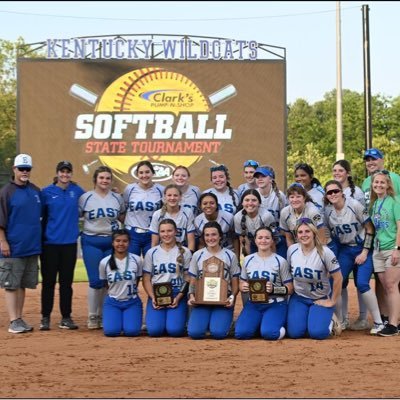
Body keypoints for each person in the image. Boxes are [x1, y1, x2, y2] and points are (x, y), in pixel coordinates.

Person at [323, 180, 383, 335]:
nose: (333, 194)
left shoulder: (354, 204)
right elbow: (328, 234)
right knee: (338, 280)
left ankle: (378, 322)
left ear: (342, 192)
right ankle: (342, 320)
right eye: (329, 192)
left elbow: (370, 229)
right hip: (345, 249)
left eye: (335, 191)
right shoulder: (328, 211)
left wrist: (364, 252)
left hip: (363, 247)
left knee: (362, 283)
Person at [39, 161, 85, 331]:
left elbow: (92, 200)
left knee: (66, 283)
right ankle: (45, 317)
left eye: (68, 172)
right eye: (62, 172)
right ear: (57, 173)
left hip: (69, 243)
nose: (65, 175)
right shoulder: (46, 192)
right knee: (48, 282)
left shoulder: (77, 191)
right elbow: (40, 216)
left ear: (71, 174)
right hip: (50, 243)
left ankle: (66, 317)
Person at [79, 166, 125, 329]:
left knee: (108, 280)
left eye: (107, 178)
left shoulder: (117, 198)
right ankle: (93, 315)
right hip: (91, 240)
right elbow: (78, 215)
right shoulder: (85, 197)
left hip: (110, 242)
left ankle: (104, 313)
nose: (104, 181)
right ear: (95, 180)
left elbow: (122, 216)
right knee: (95, 280)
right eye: (101, 178)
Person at [0, 154, 42, 334]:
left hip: (31, 246)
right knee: (11, 284)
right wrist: (3, 241)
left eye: (27, 169)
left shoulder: (35, 190)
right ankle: (13, 320)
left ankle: (19, 317)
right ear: (14, 170)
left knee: (23, 284)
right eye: (21, 168)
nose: (24, 172)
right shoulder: (6, 192)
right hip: (13, 246)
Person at [286, 218, 343, 340]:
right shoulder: (292, 250)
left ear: (314, 233)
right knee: (294, 333)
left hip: (319, 297)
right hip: (299, 297)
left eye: (307, 231)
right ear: (296, 235)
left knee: (318, 333)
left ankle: (331, 320)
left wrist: (332, 301)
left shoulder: (325, 252)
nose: (304, 235)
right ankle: (310, 318)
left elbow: (338, 278)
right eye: (300, 232)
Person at [234, 227, 293, 340]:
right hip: (254, 303)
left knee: (270, 334)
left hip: (275, 303)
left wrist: (274, 289)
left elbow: (290, 288)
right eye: (260, 238)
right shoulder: (248, 260)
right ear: (255, 241)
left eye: (267, 238)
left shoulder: (280, 261)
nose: (263, 240)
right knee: (241, 333)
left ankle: (280, 326)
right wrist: (243, 286)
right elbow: (242, 282)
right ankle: (261, 323)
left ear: (272, 241)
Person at [187, 221, 240, 339]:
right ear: (203, 237)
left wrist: (232, 297)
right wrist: (191, 295)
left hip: (222, 301)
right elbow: (193, 280)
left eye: (214, 234)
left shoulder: (230, 255)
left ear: (220, 236)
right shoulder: (197, 255)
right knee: (194, 333)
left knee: (218, 333)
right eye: (207, 235)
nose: (211, 238)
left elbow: (235, 282)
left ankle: (223, 323)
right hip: (202, 300)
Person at [332, 159, 368, 329]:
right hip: (343, 245)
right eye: (335, 171)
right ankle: (343, 318)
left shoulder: (357, 193)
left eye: (340, 170)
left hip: (359, 243)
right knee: (342, 281)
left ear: (347, 173)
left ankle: (362, 317)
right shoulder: (332, 191)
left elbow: (363, 220)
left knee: (361, 282)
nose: (337, 173)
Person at [143, 219, 192, 337]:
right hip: (157, 293)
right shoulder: (151, 252)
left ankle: (176, 321)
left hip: (177, 293)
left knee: (175, 331)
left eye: (169, 231)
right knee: (154, 331)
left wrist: (179, 297)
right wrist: (153, 297)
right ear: (159, 233)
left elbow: (188, 277)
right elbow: (146, 278)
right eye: (163, 231)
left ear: (176, 232)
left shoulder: (185, 252)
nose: (166, 234)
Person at [369, 170, 400, 336]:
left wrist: (397, 249)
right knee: (385, 286)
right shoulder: (374, 204)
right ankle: (389, 319)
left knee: (391, 285)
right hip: (378, 249)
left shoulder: (395, 202)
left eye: (382, 182)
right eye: (376, 182)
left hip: (391, 249)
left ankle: (394, 325)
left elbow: (399, 226)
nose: (378, 185)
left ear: (388, 184)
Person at [99, 229, 143, 337]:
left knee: (132, 332)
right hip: (113, 302)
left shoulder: (137, 260)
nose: (121, 244)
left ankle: (128, 320)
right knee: (111, 332)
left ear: (129, 243)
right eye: (118, 241)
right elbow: (105, 283)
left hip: (132, 302)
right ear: (113, 243)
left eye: (124, 241)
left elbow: (137, 279)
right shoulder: (104, 262)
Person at [123, 160, 164, 257]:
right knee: (132, 264)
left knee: (151, 266)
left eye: (147, 172)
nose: (144, 175)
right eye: (141, 173)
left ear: (153, 173)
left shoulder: (161, 190)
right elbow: (123, 210)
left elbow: (164, 211)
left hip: (152, 233)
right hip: (132, 233)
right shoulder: (130, 189)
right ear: (137, 174)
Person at [150, 184, 196, 253]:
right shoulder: (157, 215)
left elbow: (191, 241)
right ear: (165, 197)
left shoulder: (188, 212)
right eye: (169, 195)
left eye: (175, 195)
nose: (172, 198)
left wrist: (189, 256)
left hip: (182, 251)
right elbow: (155, 242)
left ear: (180, 197)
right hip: (163, 251)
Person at [254, 165, 288, 257]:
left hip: (277, 236)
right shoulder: (253, 194)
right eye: (257, 177)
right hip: (259, 237)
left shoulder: (279, 195)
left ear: (271, 179)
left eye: (263, 176)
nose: (260, 179)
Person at [279, 183, 326, 248]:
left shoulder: (313, 211)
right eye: (292, 197)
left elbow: (321, 236)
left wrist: (318, 254)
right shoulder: (285, 212)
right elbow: (289, 238)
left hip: (316, 244)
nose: (295, 200)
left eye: (298, 196)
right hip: (298, 244)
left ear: (304, 197)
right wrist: (293, 253)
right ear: (288, 199)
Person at [234, 189, 277, 257]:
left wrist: (272, 259)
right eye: (247, 200)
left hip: (270, 243)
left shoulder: (266, 216)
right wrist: (247, 259)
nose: (250, 203)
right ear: (242, 203)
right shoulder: (238, 217)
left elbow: (272, 242)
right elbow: (243, 242)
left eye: (254, 200)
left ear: (259, 203)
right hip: (252, 244)